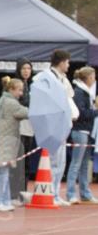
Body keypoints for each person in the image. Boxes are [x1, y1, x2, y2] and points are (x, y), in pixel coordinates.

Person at [36, 49, 79, 204]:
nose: (68, 65)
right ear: (61, 62)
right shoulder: (46, 77)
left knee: (61, 161)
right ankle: (49, 194)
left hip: (63, 124)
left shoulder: (63, 79)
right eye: (67, 62)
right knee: (53, 161)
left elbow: (69, 98)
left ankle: (55, 193)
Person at [0, 76, 28, 212]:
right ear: (11, 89)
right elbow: (27, 112)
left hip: (5, 138)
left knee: (5, 170)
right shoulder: (11, 103)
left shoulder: (4, 99)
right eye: (19, 90)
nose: (21, 93)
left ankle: (4, 200)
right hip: (5, 139)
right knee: (2, 171)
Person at [65, 66, 98, 204]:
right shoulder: (79, 92)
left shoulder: (87, 93)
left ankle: (85, 193)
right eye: (93, 76)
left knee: (84, 164)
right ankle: (71, 194)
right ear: (88, 78)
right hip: (79, 131)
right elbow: (81, 114)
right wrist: (96, 111)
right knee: (76, 163)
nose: (94, 79)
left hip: (87, 131)